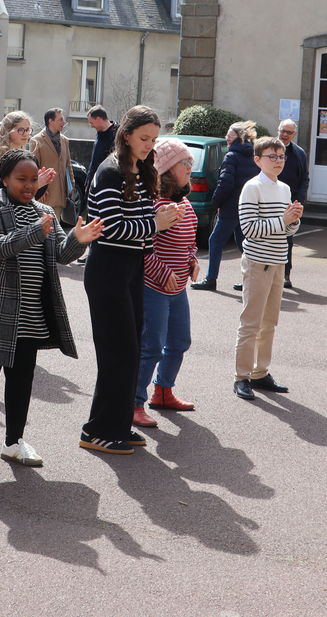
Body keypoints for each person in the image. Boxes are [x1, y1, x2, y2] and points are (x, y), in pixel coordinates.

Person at [0, 148, 103, 473]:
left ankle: (14, 442)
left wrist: (79, 238)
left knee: (21, 380)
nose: (29, 185)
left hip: (31, 313)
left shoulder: (44, 211)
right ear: (5, 179)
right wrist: (34, 232)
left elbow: (61, 254)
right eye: (21, 179)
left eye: (33, 179)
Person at [82, 106, 187, 454]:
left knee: (130, 352)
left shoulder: (140, 169)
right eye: (144, 138)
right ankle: (97, 430)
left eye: (154, 139)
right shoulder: (110, 170)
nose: (149, 145)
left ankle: (117, 425)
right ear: (126, 135)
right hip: (108, 268)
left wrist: (161, 217)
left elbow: (138, 223)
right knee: (118, 353)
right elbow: (111, 228)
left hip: (131, 268)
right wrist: (156, 224)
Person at [133, 138, 199, 429]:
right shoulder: (155, 205)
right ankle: (135, 403)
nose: (190, 168)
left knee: (180, 341)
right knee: (151, 347)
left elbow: (191, 241)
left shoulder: (184, 203)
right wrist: (162, 273)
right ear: (168, 169)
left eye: (190, 163)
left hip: (178, 289)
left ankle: (163, 391)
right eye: (185, 163)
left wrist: (192, 261)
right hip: (154, 289)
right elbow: (142, 248)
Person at [233, 136, 303, 399]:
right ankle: (242, 377)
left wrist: (293, 220)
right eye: (271, 156)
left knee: (270, 322)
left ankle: (260, 372)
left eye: (281, 156)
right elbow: (249, 229)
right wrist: (283, 220)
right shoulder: (252, 188)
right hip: (257, 262)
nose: (278, 161)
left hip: (278, 262)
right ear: (257, 160)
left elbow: (287, 230)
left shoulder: (284, 188)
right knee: (251, 322)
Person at [194, 121, 258, 291]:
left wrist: (216, 202)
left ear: (240, 137)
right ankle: (252, 279)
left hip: (230, 207)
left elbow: (225, 183)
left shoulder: (231, 156)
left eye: (229, 135)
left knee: (215, 241)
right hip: (246, 207)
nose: (226, 138)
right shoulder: (252, 155)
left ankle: (210, 279)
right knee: (243, 243)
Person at [278, 119, 310, 289]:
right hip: (269, 199)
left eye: (288, 132)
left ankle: (286, 274)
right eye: (283, 130)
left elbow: (305, 178)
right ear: (278, 129)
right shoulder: (269, 149)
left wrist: (299, 199)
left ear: (294, 134)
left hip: (291, 203)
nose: (284, 134)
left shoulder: (299, 153)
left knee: (287, 240)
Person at [30, 107, 76, 225]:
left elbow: (68, 164)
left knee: (56, 226)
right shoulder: (36, 140)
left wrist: (71, 184)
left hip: (60, 194)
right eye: (60, 119)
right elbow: (33, 168)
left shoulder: (64, 140)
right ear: (50, 121)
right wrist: (39, 189)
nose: (63, 122)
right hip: (45, 195)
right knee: (44, 228)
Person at [87, 104, 118, 179]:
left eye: (92, 123)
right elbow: (94, 162)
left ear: (98, 119)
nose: (91, 126)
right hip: (94, 180)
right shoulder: (100, 134)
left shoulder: (117, 136)